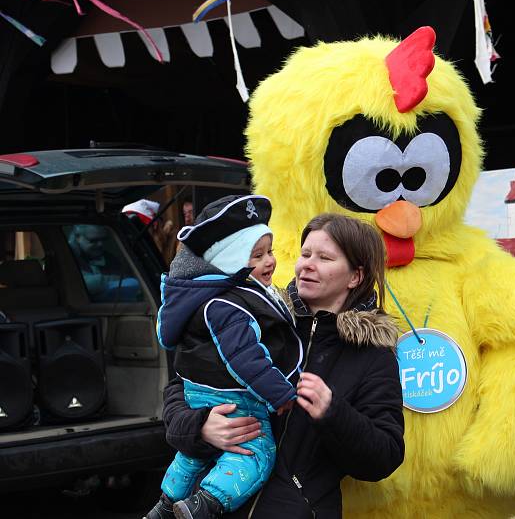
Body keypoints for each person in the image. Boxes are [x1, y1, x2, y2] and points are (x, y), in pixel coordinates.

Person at [159, 213, 404, 518]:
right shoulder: (257, 318)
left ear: (355, 276)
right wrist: (201, 428)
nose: (307, 265)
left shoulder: (372, 355)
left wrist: (333, 412)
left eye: (325, 257)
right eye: (305, 254)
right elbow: (180, 389)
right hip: (209, 507)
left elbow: (384, 457)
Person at [145, 195, 300, 519]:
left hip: (199, 395)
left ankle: (164, 505)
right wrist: (281, 394)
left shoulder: (205, 301)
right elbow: (247, 360)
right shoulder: (229, 305)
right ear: (230, 263)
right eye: (257, 256)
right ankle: (205, 505)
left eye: (270, 251)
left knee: (190, 458)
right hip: (235, 399)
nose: (270, 261)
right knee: (254, 452)